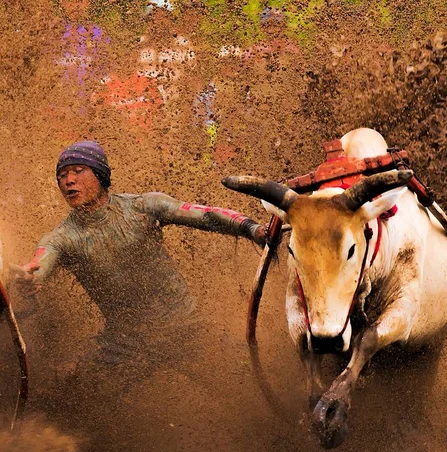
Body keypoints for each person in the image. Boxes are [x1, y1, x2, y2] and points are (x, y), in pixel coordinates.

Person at [13, 140, 265, 384]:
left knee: (246, 376)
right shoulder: (62, 237)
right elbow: (40, 262)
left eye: (78, 171)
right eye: (62, 176)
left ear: (99, 175)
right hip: (125, 344)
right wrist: (29, 278)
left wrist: (252, 228)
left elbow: (207, 215)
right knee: (69, 388)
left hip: (183, 329)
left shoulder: (143, 207)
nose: (68, 181)